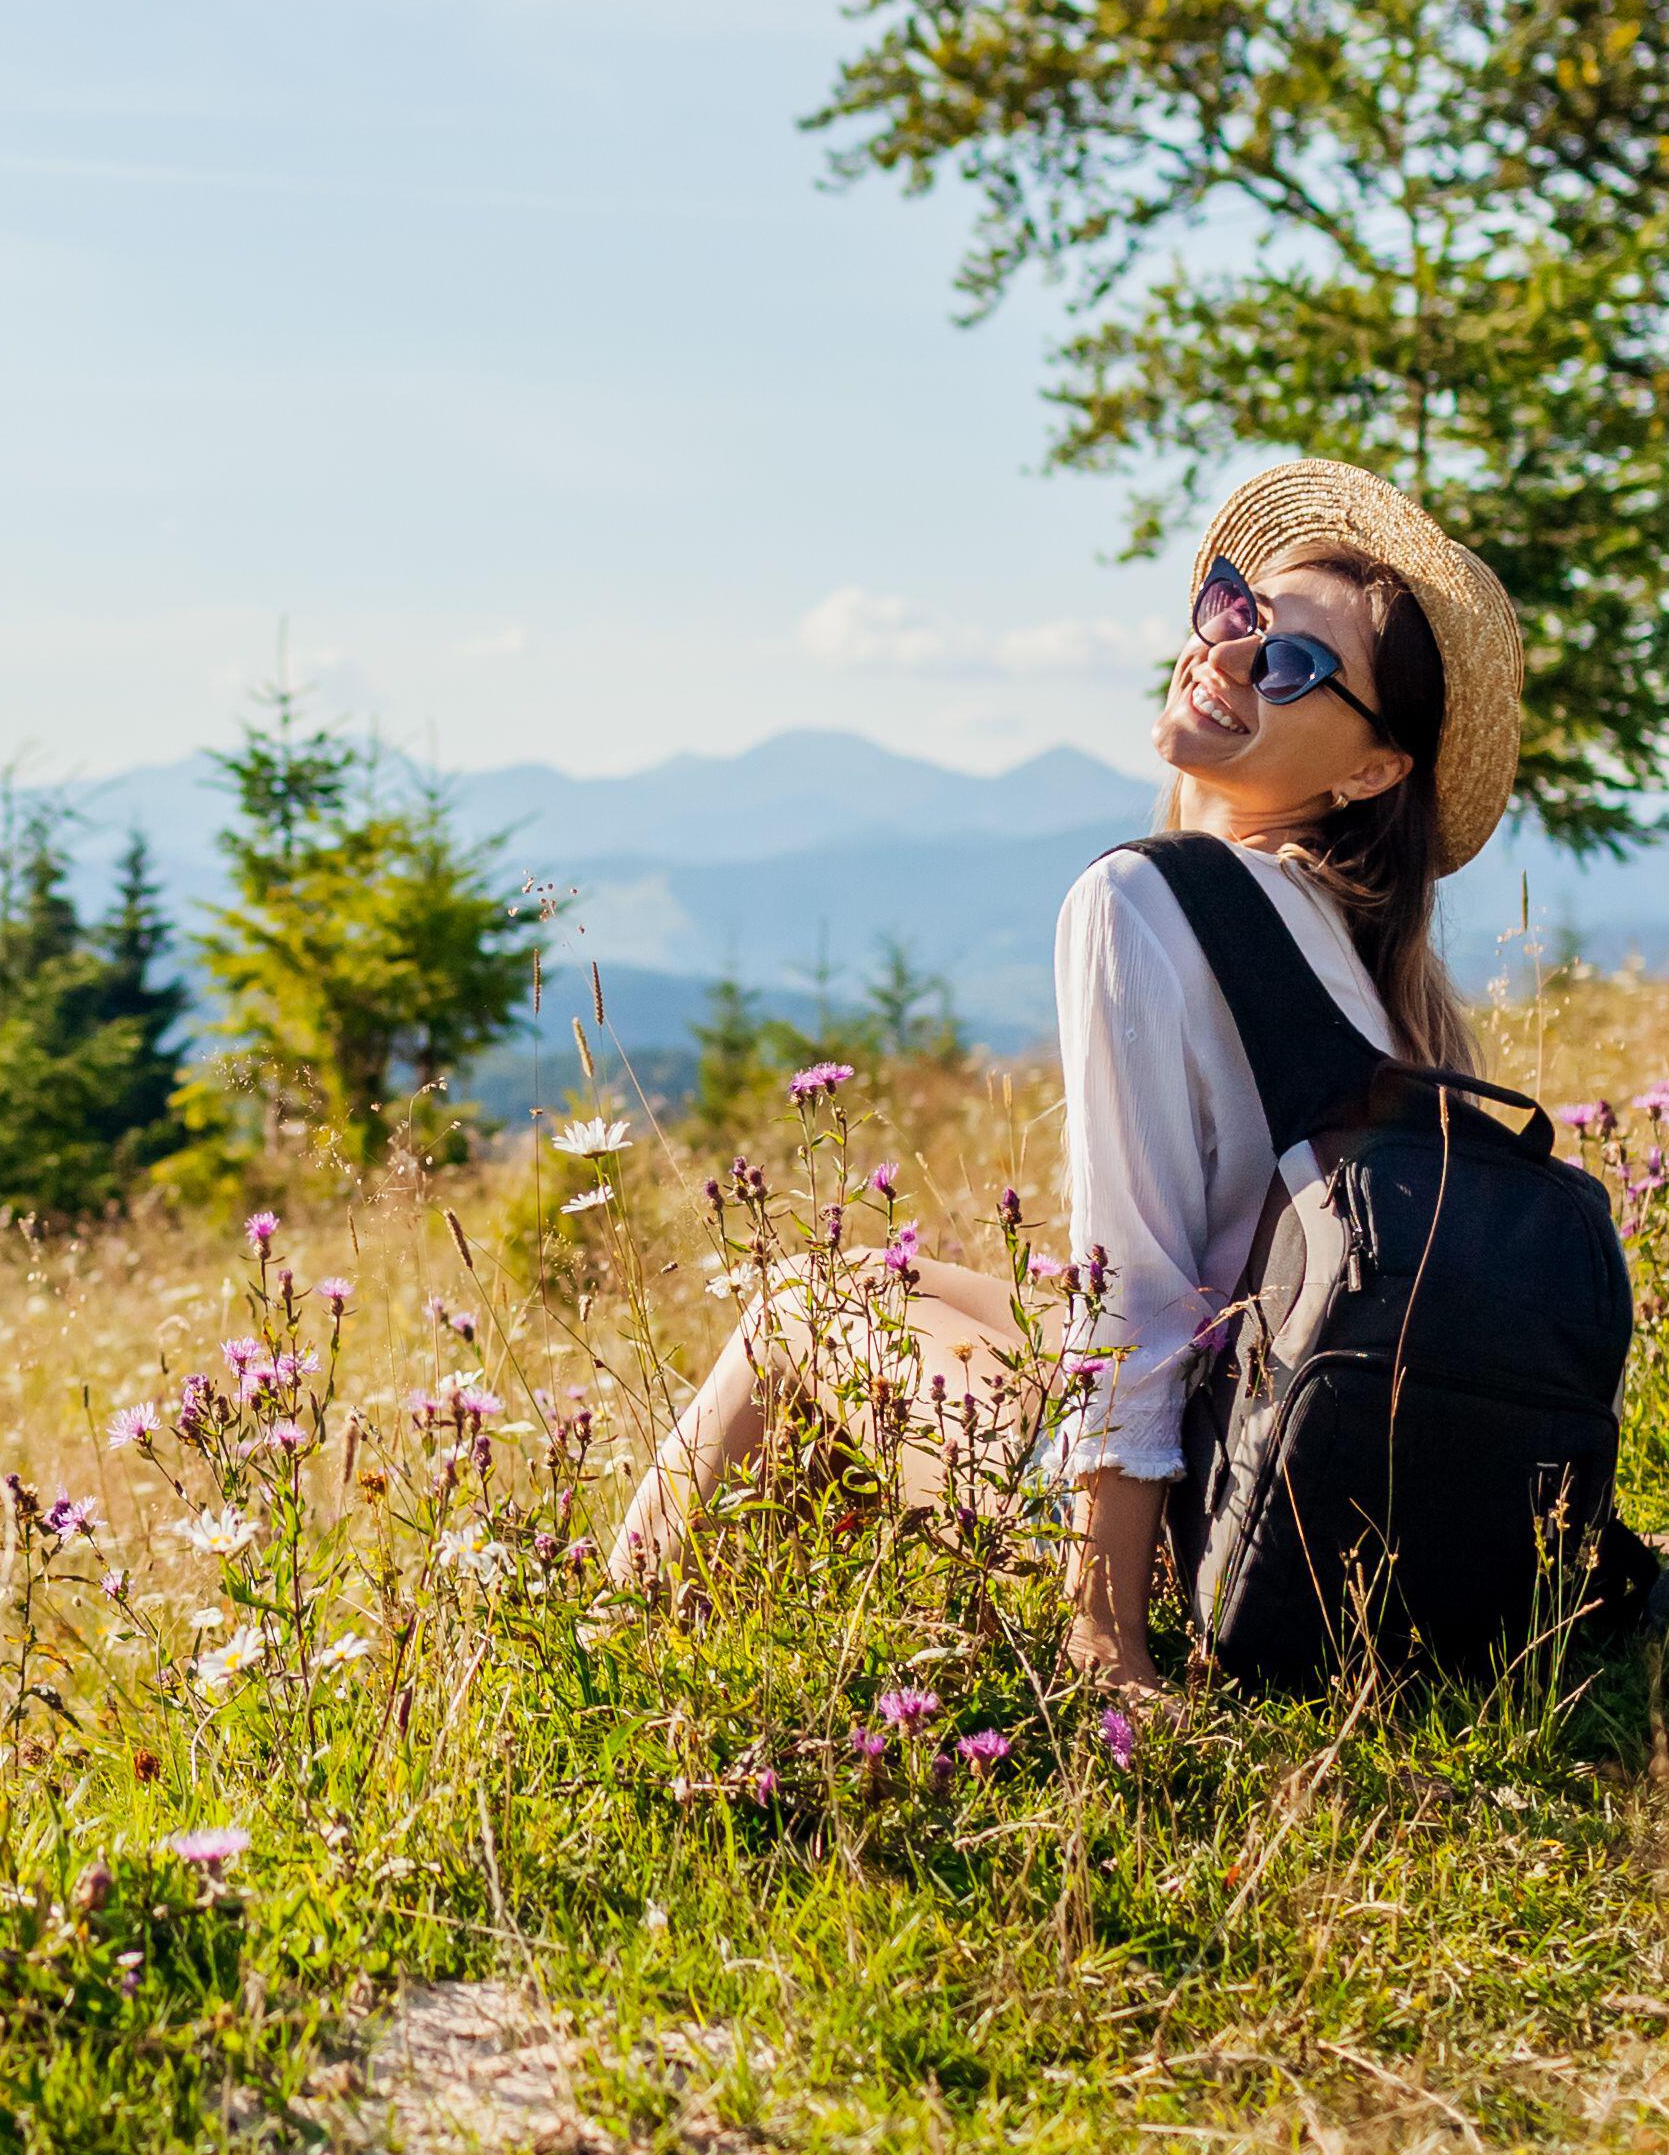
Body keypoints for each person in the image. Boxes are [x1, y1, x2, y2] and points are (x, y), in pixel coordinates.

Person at [609, 459, 1524, 1687]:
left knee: (793, 1317)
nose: (1233, 652)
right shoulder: (1351, 945)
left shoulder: (1141, 897)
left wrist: (1109, 1630)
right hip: (1310, 1468)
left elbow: (1135, 1300)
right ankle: (746, 1615)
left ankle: (610, 1646)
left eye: (1295, 663)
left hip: (1205, 1521)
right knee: (860, 1279)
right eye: (1239, 608)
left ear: (1369, 770)